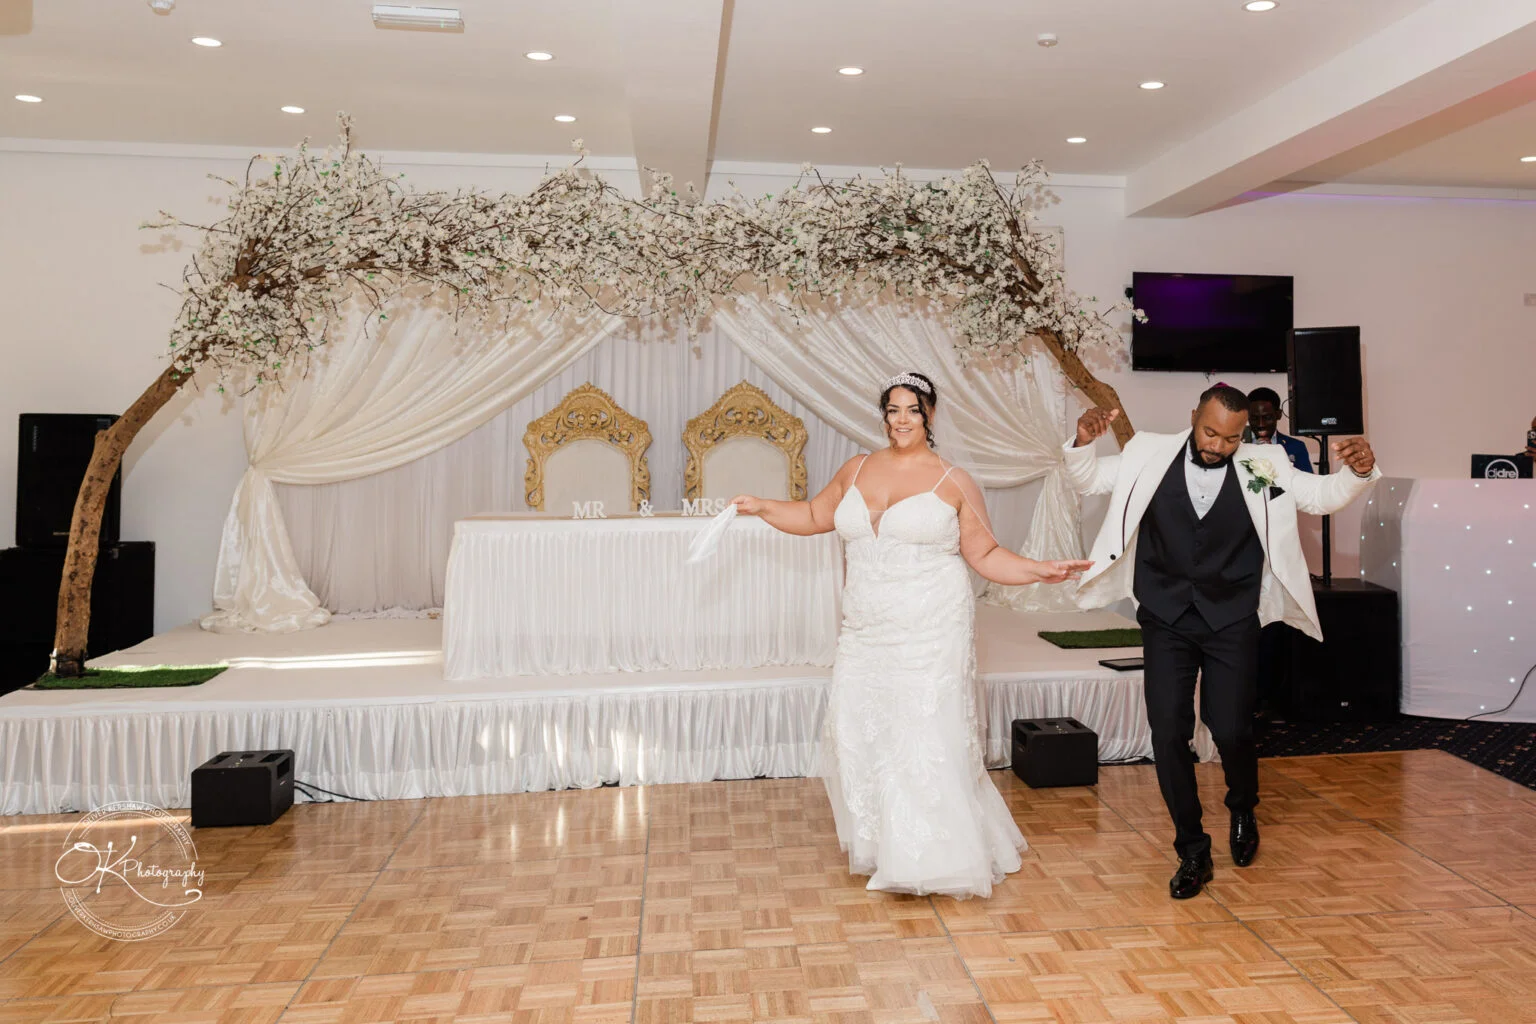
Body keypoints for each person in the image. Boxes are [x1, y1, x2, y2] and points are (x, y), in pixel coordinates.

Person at [731, 372, 1091, 899]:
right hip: (866, 626)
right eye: (894, 409)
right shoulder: (856, 469)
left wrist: (1040, 569)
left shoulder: (953, 480)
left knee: (923, 733)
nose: (902, 419)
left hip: (931, 625)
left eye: (913, 411)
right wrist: (763, 506)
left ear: (929, 416)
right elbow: (814, 514)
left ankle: (934, 857)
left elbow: (986, 554)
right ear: (884, 414)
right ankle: (885, 843)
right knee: (861, 725)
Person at [1065, 385, 1379, 899]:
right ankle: (1191, 848)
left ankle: (1242, 806)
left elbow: (1320, 497)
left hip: (1232, 617)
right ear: (1193, 417)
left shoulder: (1267, 461)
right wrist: (1081, 442)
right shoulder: (1146, 450)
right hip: (1165, 615)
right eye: (1210, 432)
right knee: (1167, 733)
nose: (1217, 446)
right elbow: (1088, 480)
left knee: (1231, 729)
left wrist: (1359, 472)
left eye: (1230, 439)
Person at [1245, 387, 1312, 473]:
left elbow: (1306, 482)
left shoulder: (1296, 447)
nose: (1261, 424)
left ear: (1278, 414)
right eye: (1254, 418)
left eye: (1267, 418)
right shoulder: (1239, 446)